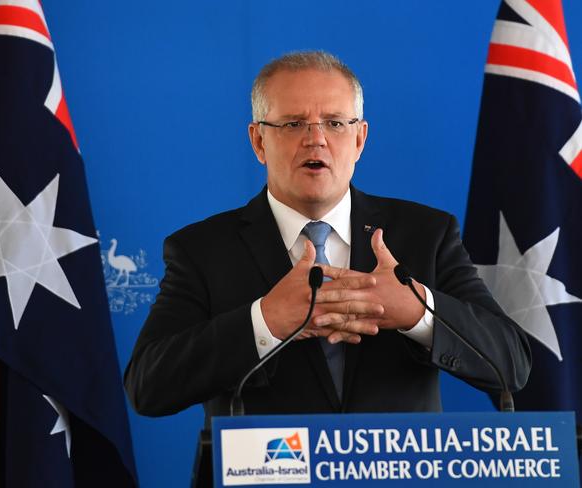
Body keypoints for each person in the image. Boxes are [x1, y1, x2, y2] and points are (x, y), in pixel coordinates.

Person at [124, 51, 530, 424]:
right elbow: (148, 385)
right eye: (293, 123)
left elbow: (512, 364)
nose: (315, 138)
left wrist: (418, 311)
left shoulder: (426, 234)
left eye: (335, 123)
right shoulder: (203, 250)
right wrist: (265, 320)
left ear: (359, 139)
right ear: (258, 141)